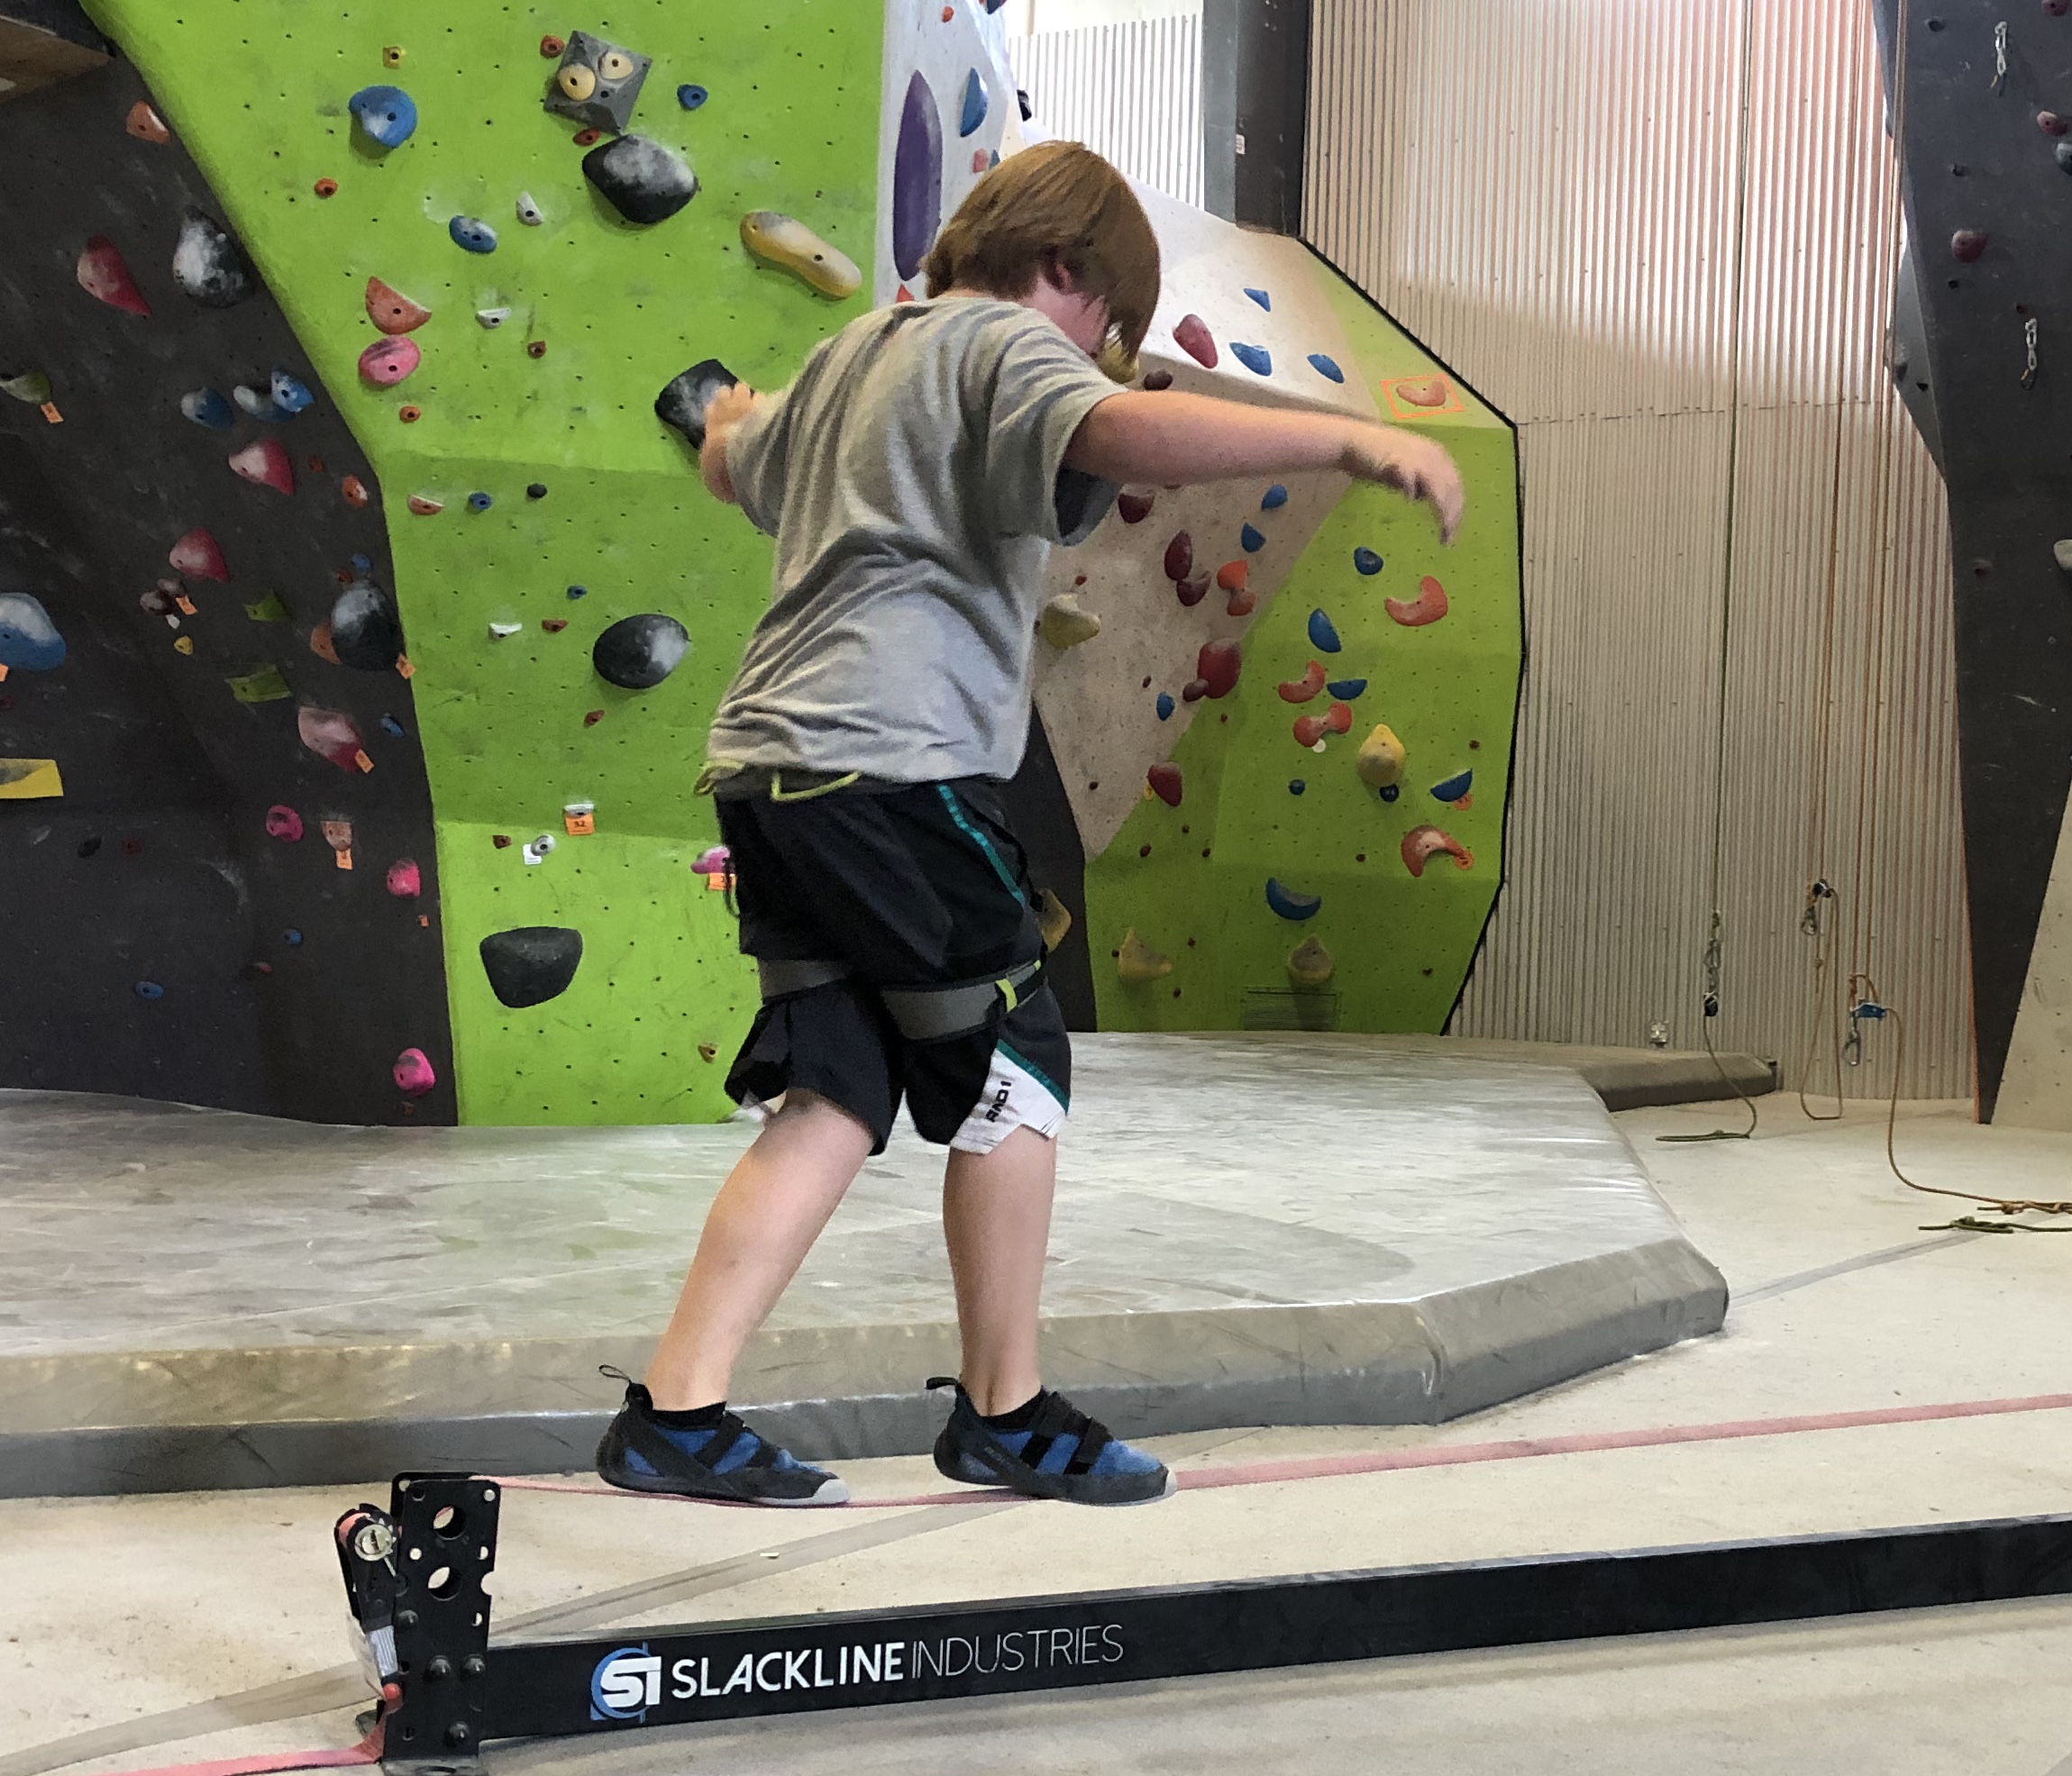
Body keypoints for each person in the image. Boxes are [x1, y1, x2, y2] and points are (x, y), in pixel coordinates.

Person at [596, 142, 1466, 1509]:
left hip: (770, 771)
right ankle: (1006, 1411)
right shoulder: (1002, 340)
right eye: (1103, 325)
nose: (1092, 358)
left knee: (836, 1092)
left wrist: (727, 425)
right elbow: (1115, 435)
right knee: (1016, 1062)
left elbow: (729, 461)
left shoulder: (854, 351)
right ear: (1066, 269)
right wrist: (1351, 439)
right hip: (887, 768)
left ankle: (678, 1412)